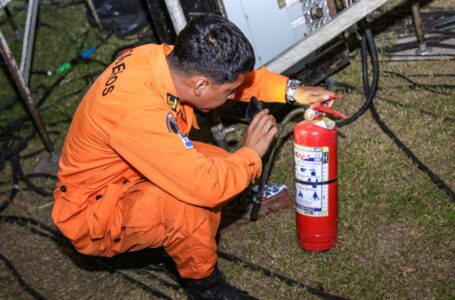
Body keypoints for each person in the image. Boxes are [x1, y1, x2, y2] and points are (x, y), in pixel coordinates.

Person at [52, 14, 335, 299]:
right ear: (199, 85)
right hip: (94, 213)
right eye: (228, 93)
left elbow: (236, 79)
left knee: (222, 165)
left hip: (127, 175)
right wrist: (251, 153)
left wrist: (292, 90)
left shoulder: (158, 59)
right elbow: (206, 189)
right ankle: (206, 287)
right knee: (190, 204)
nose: (232, 96)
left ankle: (168, 245)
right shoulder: (136, 113)